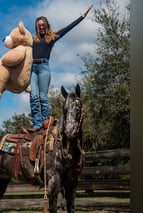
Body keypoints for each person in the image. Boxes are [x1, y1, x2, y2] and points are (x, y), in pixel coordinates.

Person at [23, 4, 93, 133]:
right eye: (39, 25)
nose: (41, 26)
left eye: (43, 24)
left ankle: (45, 121)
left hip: (44, 68)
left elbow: (67, 29)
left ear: (46, 25)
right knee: (33, 96)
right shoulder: (33, 40)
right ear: (37, 27)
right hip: (33, 69)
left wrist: (82, 17)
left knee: (43, 97)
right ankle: (37, 123)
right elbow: (20, 44)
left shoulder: (52, 37)